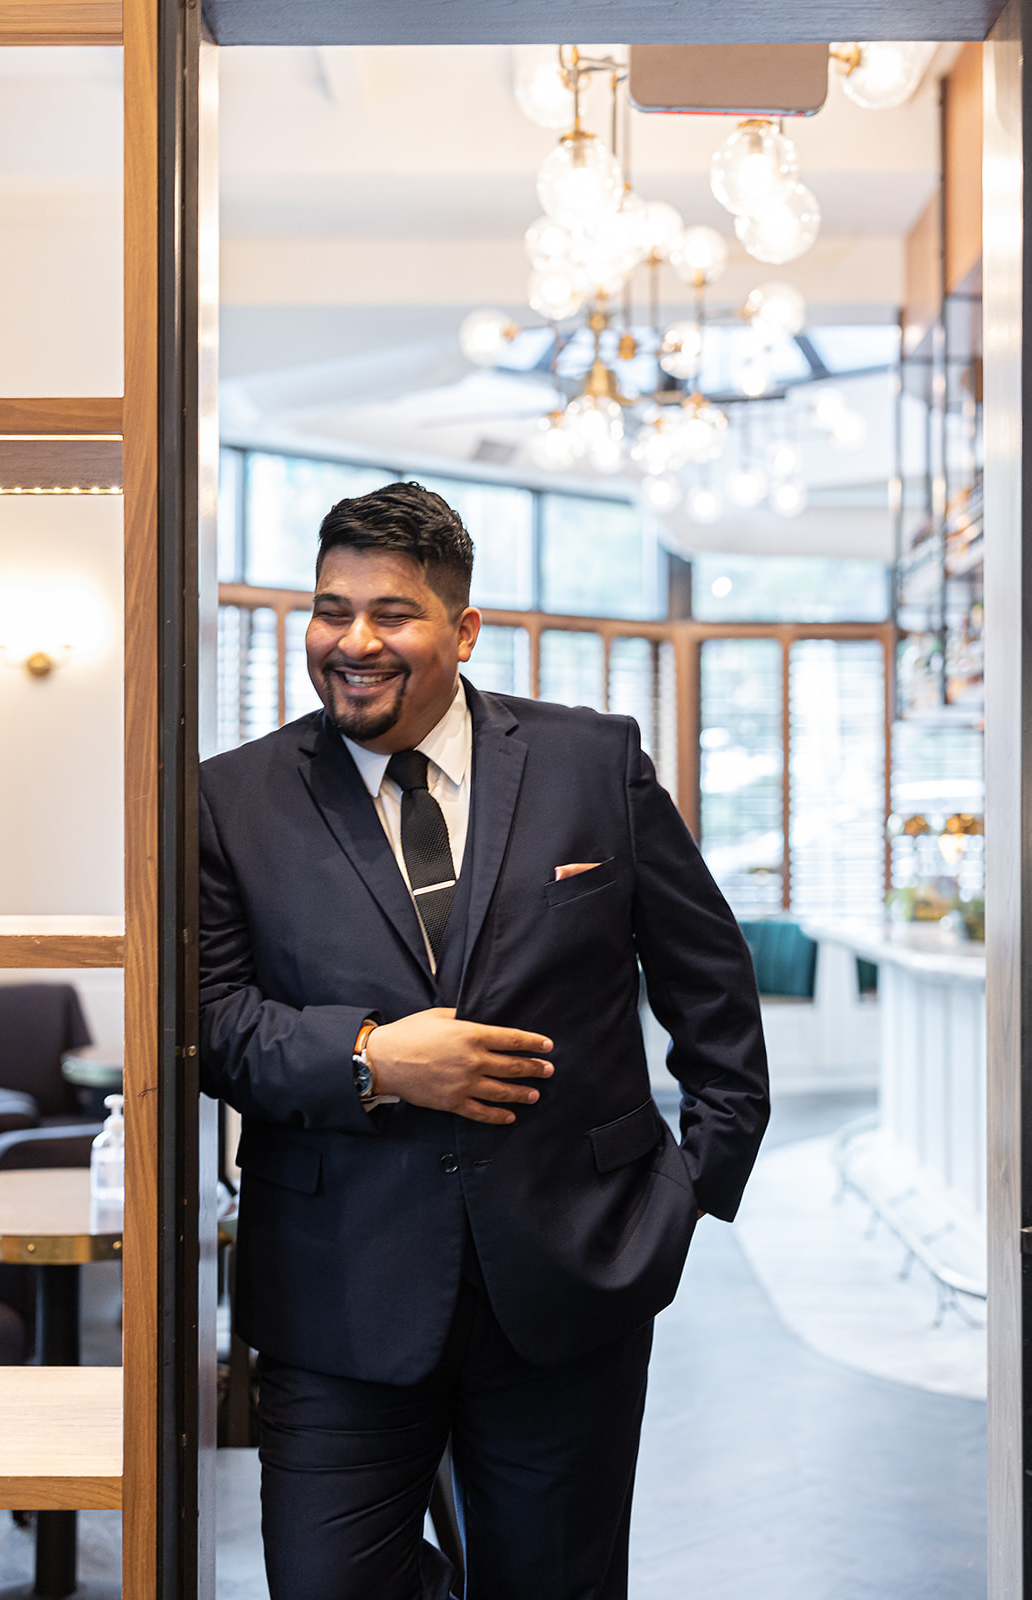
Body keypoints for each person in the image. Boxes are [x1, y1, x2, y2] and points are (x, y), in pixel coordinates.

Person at [198, 480, 769, 1600]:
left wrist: (686, 1193)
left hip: (571, 1276)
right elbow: (214, 1023)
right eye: (329, 609)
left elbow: (712, 988)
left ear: (462, 628)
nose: (352, 642)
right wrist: (370, 1057)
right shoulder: (233, 798)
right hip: (337, 1288)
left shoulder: (590, 762)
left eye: (390, 614)